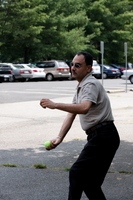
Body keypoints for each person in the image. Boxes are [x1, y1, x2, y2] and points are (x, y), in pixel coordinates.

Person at [40, 51, 120, 200]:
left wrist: (55, 104)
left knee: (76, 172)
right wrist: (59, 137)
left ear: (88, 68)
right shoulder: (82, 86)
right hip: (102, 136)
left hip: (103, 136)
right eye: (72, 64)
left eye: (78, 65)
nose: (73, 68)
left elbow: (84, 108)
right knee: (91, 184)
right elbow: (71, 113)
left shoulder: (90, 84)